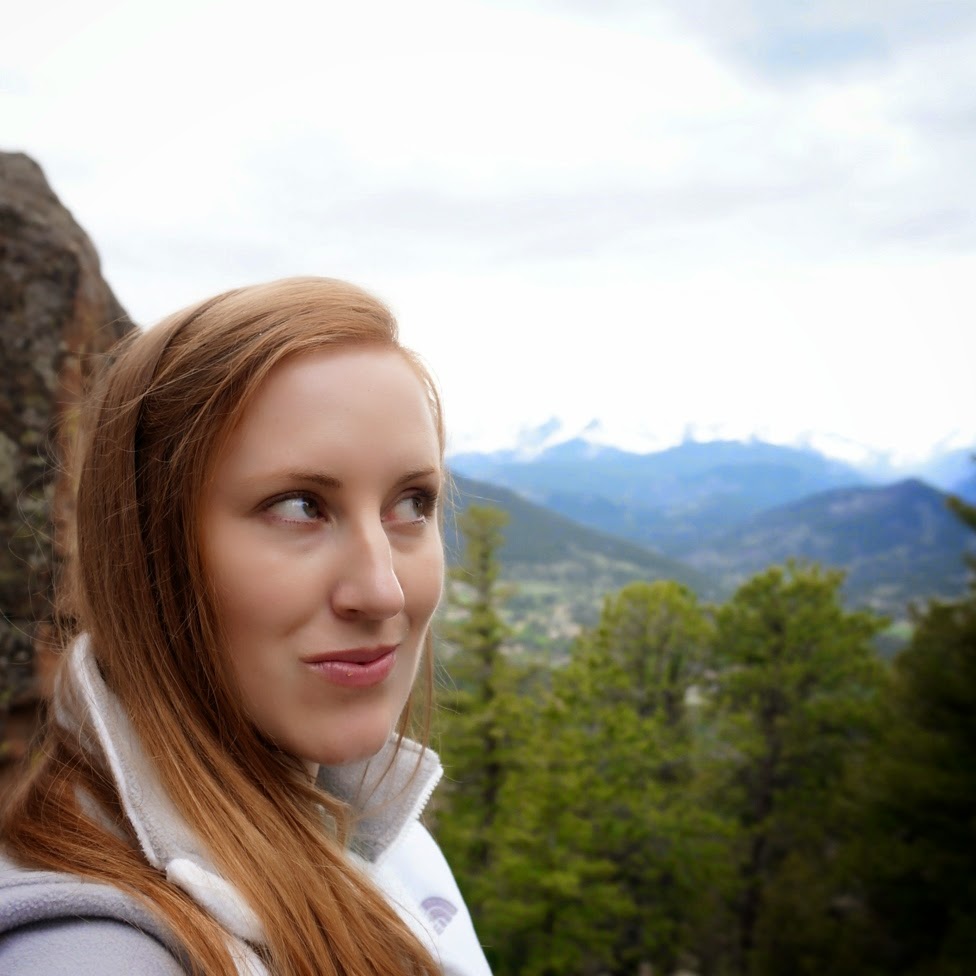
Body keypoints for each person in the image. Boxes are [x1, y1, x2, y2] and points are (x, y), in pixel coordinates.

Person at [0, 277, 492, 976]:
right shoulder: (94, 953)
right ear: (150, 553)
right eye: (299, 506)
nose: (382, 591)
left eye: (410, 502)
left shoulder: (388, 843)